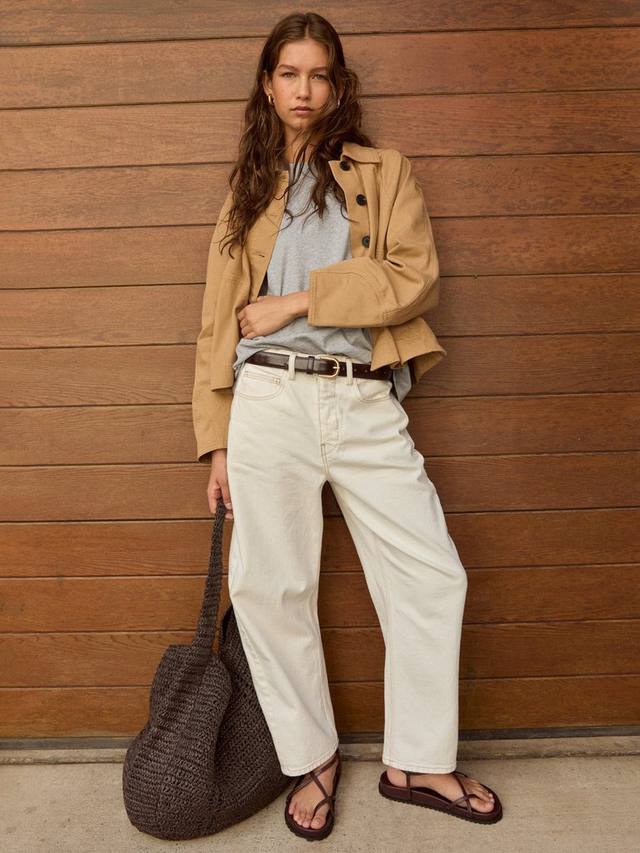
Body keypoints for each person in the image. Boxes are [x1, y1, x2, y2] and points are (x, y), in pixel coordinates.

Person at [192, 11, 503, 841]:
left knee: (431, 573)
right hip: (267, 399)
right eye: (288, 74)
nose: (304, 90)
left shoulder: (384, 171)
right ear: (268, 85)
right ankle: (313, 755)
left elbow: (413, 278)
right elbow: (217, 320)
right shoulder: (249, 188)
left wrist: (298, 300)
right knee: (270, 585)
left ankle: (418, 759)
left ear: (338, 84)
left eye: (318, 74)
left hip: (362, 398)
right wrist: (216, 439)